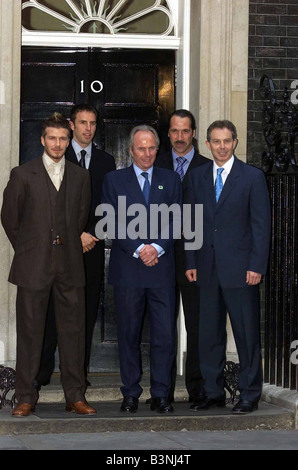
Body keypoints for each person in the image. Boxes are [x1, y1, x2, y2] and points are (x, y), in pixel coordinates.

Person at [1, 113, 96, 417]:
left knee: (73, 332)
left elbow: (80, 217)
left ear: (69, 141)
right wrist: (29, 249)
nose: (57, 144)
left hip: (70, 265)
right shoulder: (22, 174)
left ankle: (75, 396)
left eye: (63, 139)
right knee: (30, 332)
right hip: (33, 266)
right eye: (52, 138)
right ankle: (25, 396)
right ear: (42, 140)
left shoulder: (81, 177)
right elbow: (10, 219)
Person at [184, 120, 271, 414]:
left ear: (235, 142)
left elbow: (261, 226)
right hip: (206, 269)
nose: (221, 147)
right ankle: (212, 392)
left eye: (226, 141)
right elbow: (191, 223)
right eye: (216, 141)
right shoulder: (196, 178)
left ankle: (249, 393)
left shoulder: (252, 177)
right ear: (207, 144)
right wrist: (191, 260)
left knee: (246, 334)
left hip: (241, 270)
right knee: (208, 334)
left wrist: (256, 265)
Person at [101, 125, 182, 413]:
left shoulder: (171, 179)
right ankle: (131, 393)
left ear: (156, 149)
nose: (146, 153)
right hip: (128, 268)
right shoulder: (114, 180)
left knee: (164, 335)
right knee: (129, 334)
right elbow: (110, 220)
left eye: (151, 148)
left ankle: (161, 393)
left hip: (161, 268)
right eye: (141, 148)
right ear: (131, 151)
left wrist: (156, 247)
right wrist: (139, 249)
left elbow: (178, 219)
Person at [35, 104, 116, 388]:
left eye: (92, 123)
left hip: (91, 249)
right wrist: (75, 234)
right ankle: (40, 373)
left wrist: (91, 233)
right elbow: (50, 206)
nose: (88, 128)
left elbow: (109, 204)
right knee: (50, 313)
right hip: (59, 248)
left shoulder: (107, 161)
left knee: (85, 313)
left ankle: (78, 375)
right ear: (71, 125)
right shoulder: (57, 153)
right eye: (82, 122)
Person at [155, 109, 209, 404]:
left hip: (196, 259)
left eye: (185, 131)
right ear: (168, 133)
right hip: (161, 257)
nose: (179, 137)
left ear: (193, 133)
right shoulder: (157, 163)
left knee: (198, 324)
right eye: (174, 131)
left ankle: (197, 388)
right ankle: (161, 390)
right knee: (162, 325)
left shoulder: (206, 166)